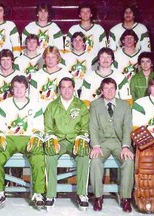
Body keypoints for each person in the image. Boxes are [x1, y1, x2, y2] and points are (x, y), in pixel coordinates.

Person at [0, 75, 45, 210]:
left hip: (29, 137)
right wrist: (0, 136)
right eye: (16, 87)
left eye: (22, 87)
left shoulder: (35, 105)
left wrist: (37, 137)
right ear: (12, 89)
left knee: (38, 156)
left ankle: (38, 193)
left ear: (26, 89)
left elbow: (39, 127)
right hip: (9, 138)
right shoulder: (4, 104)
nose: (19, 90)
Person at [44, 77, 90, 211]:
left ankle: (82, 194)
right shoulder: (52, 105)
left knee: (83, 155)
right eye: (63, 87)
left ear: (73, 88)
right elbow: (48, 127)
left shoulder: (80, 105)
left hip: (74, 140)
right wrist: (52, 138)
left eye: (69, 87)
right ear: (59, 89)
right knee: (50, 155)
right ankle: (50, 194)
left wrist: (81, 138)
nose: (66, 90)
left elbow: (85, 126)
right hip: (58, 141)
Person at [89, 78, 134, 213]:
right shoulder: (95, 105)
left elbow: (127, 127)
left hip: (119, 143)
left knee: (129, 161)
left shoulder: (125, 105)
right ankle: (98, 197)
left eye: (112, 88)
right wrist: (95, 145)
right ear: (101, 91)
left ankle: (126, 198)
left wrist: (126, 146)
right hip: (102, 143)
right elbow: (93, 126)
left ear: (116, 90)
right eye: (106, 88)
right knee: (95, 160)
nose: (109, 91)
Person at [29, 46, 72, 111]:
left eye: (53, 57)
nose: (50, 60)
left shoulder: (66, 75)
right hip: (42, 113)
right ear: (44, 58)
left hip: (61, 113)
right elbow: (32, 99)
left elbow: (72, 98)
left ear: (57, 58)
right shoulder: (36, 76)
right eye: (48, 57)